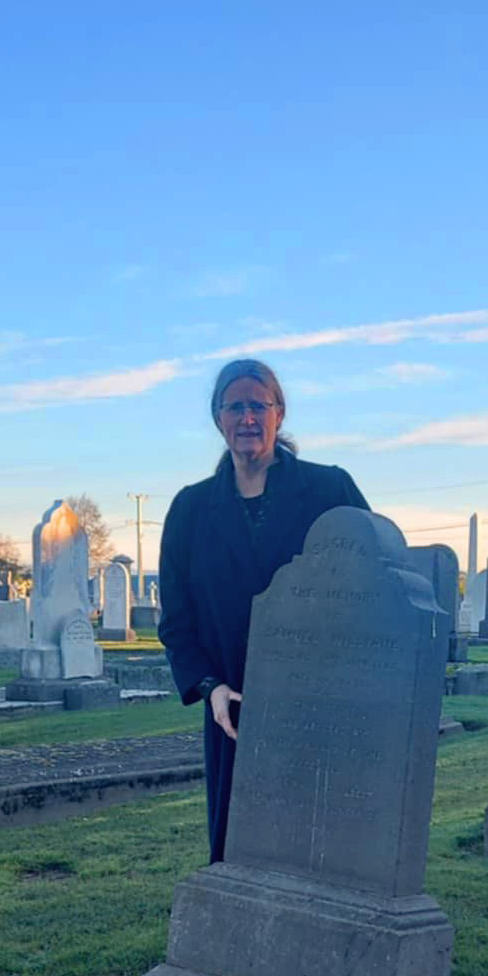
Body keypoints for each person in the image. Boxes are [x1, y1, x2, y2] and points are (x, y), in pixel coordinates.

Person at [158, 358, 369, 862]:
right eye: (235, 407)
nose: (247, 418)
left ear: (279, 413)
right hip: (234, 710)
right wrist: (210, 687)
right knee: (239, 852)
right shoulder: (190, 510)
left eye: (259, 405)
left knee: (318, 851)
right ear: (218, 419)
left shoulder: (329, 490)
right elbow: (177, 622)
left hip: (319, 705)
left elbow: (373, 583)